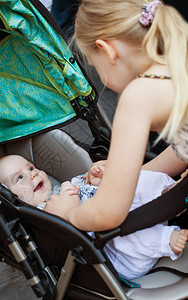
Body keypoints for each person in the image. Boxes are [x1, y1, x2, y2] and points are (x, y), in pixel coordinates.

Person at [44, 0, 188, 233]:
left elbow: (108, 213)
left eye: (94, 65)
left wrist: (68, 214)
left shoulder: (139, 95)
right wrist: (130, 172)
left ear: (108, 51)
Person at [0, 154, 188, 280]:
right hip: (120, 254)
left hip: (138, 217)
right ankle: (165, 239)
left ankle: (167, 192)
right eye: (19, 178)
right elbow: (72, 234)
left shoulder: (66, 186)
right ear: (10, 200)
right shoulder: (43, 217)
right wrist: (68, 213)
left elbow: (94, 188)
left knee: (128, 182)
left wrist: (96, 180)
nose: (32, 175)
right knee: (113, 230)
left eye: (31, 168)